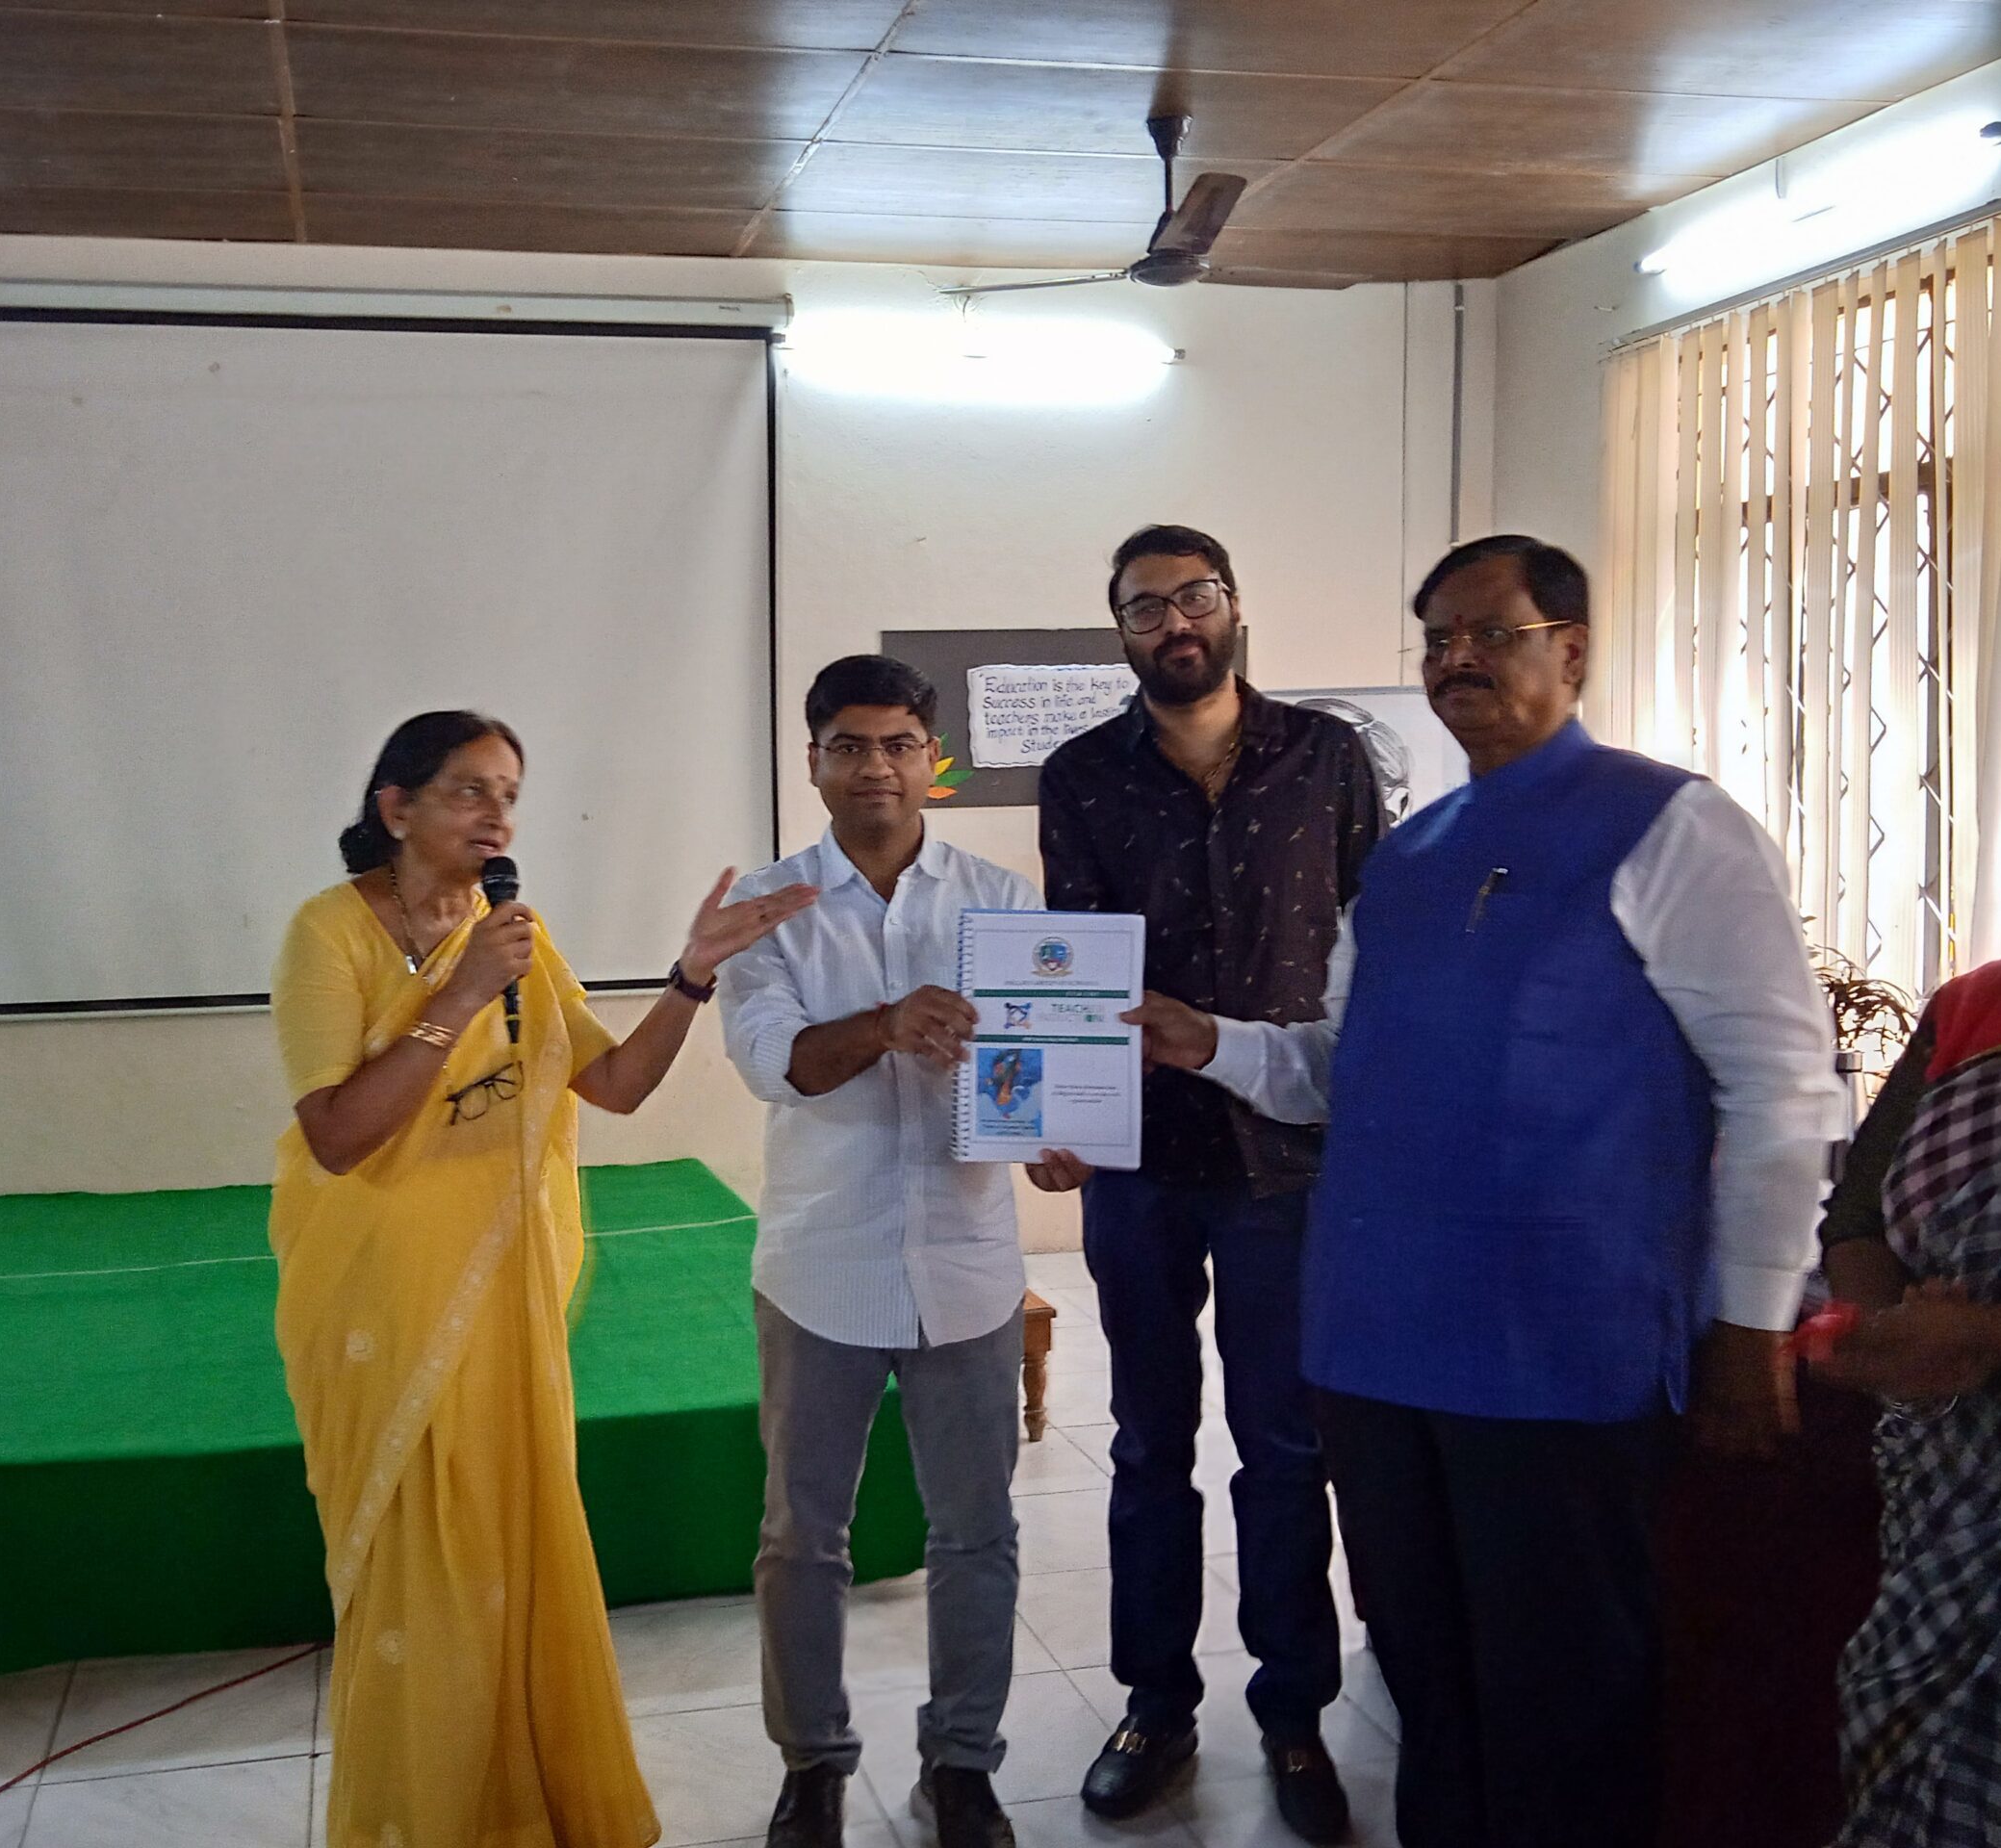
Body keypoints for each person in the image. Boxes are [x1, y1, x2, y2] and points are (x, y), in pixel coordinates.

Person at [1127, 534, 1846, 1848]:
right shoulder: (1409, 858)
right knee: (1430, 1690)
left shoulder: (1673, 827)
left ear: (1570, 651)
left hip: (1562, 1361)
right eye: (1438, 639)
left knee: (1568, 1707)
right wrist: (1205, 1041)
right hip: (1377, 1353)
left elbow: (1784, 1088)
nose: (1456, 659)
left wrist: (1749, 1321)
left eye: (1489, 634)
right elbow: (1338, 1072)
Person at [268, 709, 816, 1848]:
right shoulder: (328, 934)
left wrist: (691, 976)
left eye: (509, 795)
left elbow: (612, 1086)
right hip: (381, 1298)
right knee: (420, 1571)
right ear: (396, 808)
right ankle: (424, 1819)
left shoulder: (512, 933)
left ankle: (527, 1801)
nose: (498, 818)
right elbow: (336, 1135)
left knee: (513, 1548)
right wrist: (459, 998)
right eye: (470, 791)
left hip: (504, 1299)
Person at [1028, 525, 1383, 1840]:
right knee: (1146, 1444)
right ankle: (1156, 1705)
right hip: (1139, 1161)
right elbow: (1067, 957)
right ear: (1118, 631)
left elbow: (1375, 939)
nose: (1174, 623)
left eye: (1194, 598)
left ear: (1232, 606)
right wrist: (1055, 1113)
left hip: (1291, 1159)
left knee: (1286, 1448)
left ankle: (1293, 1715)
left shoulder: (1327, 757)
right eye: (1145, 608)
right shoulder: (1081, 775)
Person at [717, 656, 1041, 1848]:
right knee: (803, 1538)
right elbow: (778, 1064)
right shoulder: (765, 909)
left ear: (931, 762)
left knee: (977, 1534)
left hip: (968, 1268)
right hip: (823, 1269)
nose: (876, 769)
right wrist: (887, 1025)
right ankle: (812, 1765)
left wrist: (1056, 1141)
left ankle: (962, 1765)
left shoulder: (1002, 903)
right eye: (849, 746)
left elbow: (1036, 1072)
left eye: (900, 744)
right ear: (812, 761)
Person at [1810, 957, 2001, 1848]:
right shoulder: (1975, 1007)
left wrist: (1990, 1337)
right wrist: (1890, 1335)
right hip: (1949, 1491)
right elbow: (1856, 1223)